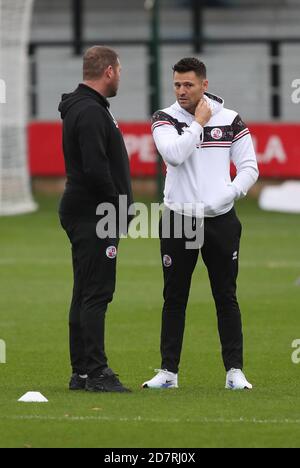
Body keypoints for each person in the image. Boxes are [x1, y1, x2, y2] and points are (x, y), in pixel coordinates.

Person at [142, 57, 259, 390]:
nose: (181, 91)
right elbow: (174, 155)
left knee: (226, 295)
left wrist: (230, 194)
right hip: (179, 219)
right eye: (177, 84)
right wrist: (198, 122)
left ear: (204, 85)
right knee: (174, 297)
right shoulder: (164, 118)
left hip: (221, 220)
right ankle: (168, 373)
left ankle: (235, 372)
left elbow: (250, 167)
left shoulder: (231, 120)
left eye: (188, 84)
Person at [58, 46, 133, 393]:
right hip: (94, 212)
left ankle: (83, 372)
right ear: (108, 72)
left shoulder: (87, 107)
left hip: (88, 210)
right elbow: (94, 168)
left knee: (85, 290)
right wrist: (118, 204)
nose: (121, 75)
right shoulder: (89, 111)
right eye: (119, 70)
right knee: (97, 293)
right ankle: (97, 372)